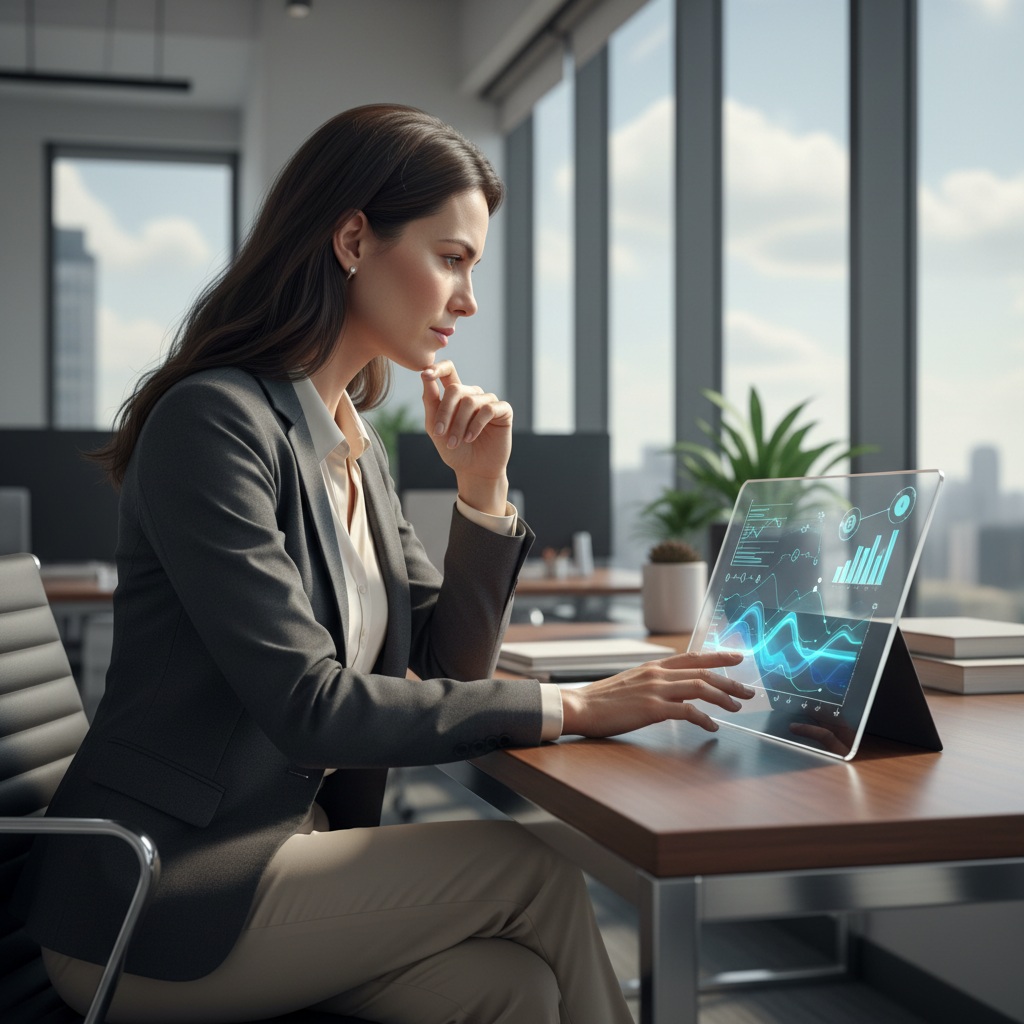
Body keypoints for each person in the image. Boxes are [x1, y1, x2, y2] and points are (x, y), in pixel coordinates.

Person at [14, 104, 751, 1024]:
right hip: (159, 895)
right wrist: (579, 704)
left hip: (283, 857)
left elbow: (448, 667)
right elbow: (310, 706)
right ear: (355, 238)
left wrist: (482, 494)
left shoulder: (352, 447)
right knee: (534, 873)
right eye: (452, 259)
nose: (468, 300)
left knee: (510, 989)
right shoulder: (214, 426)